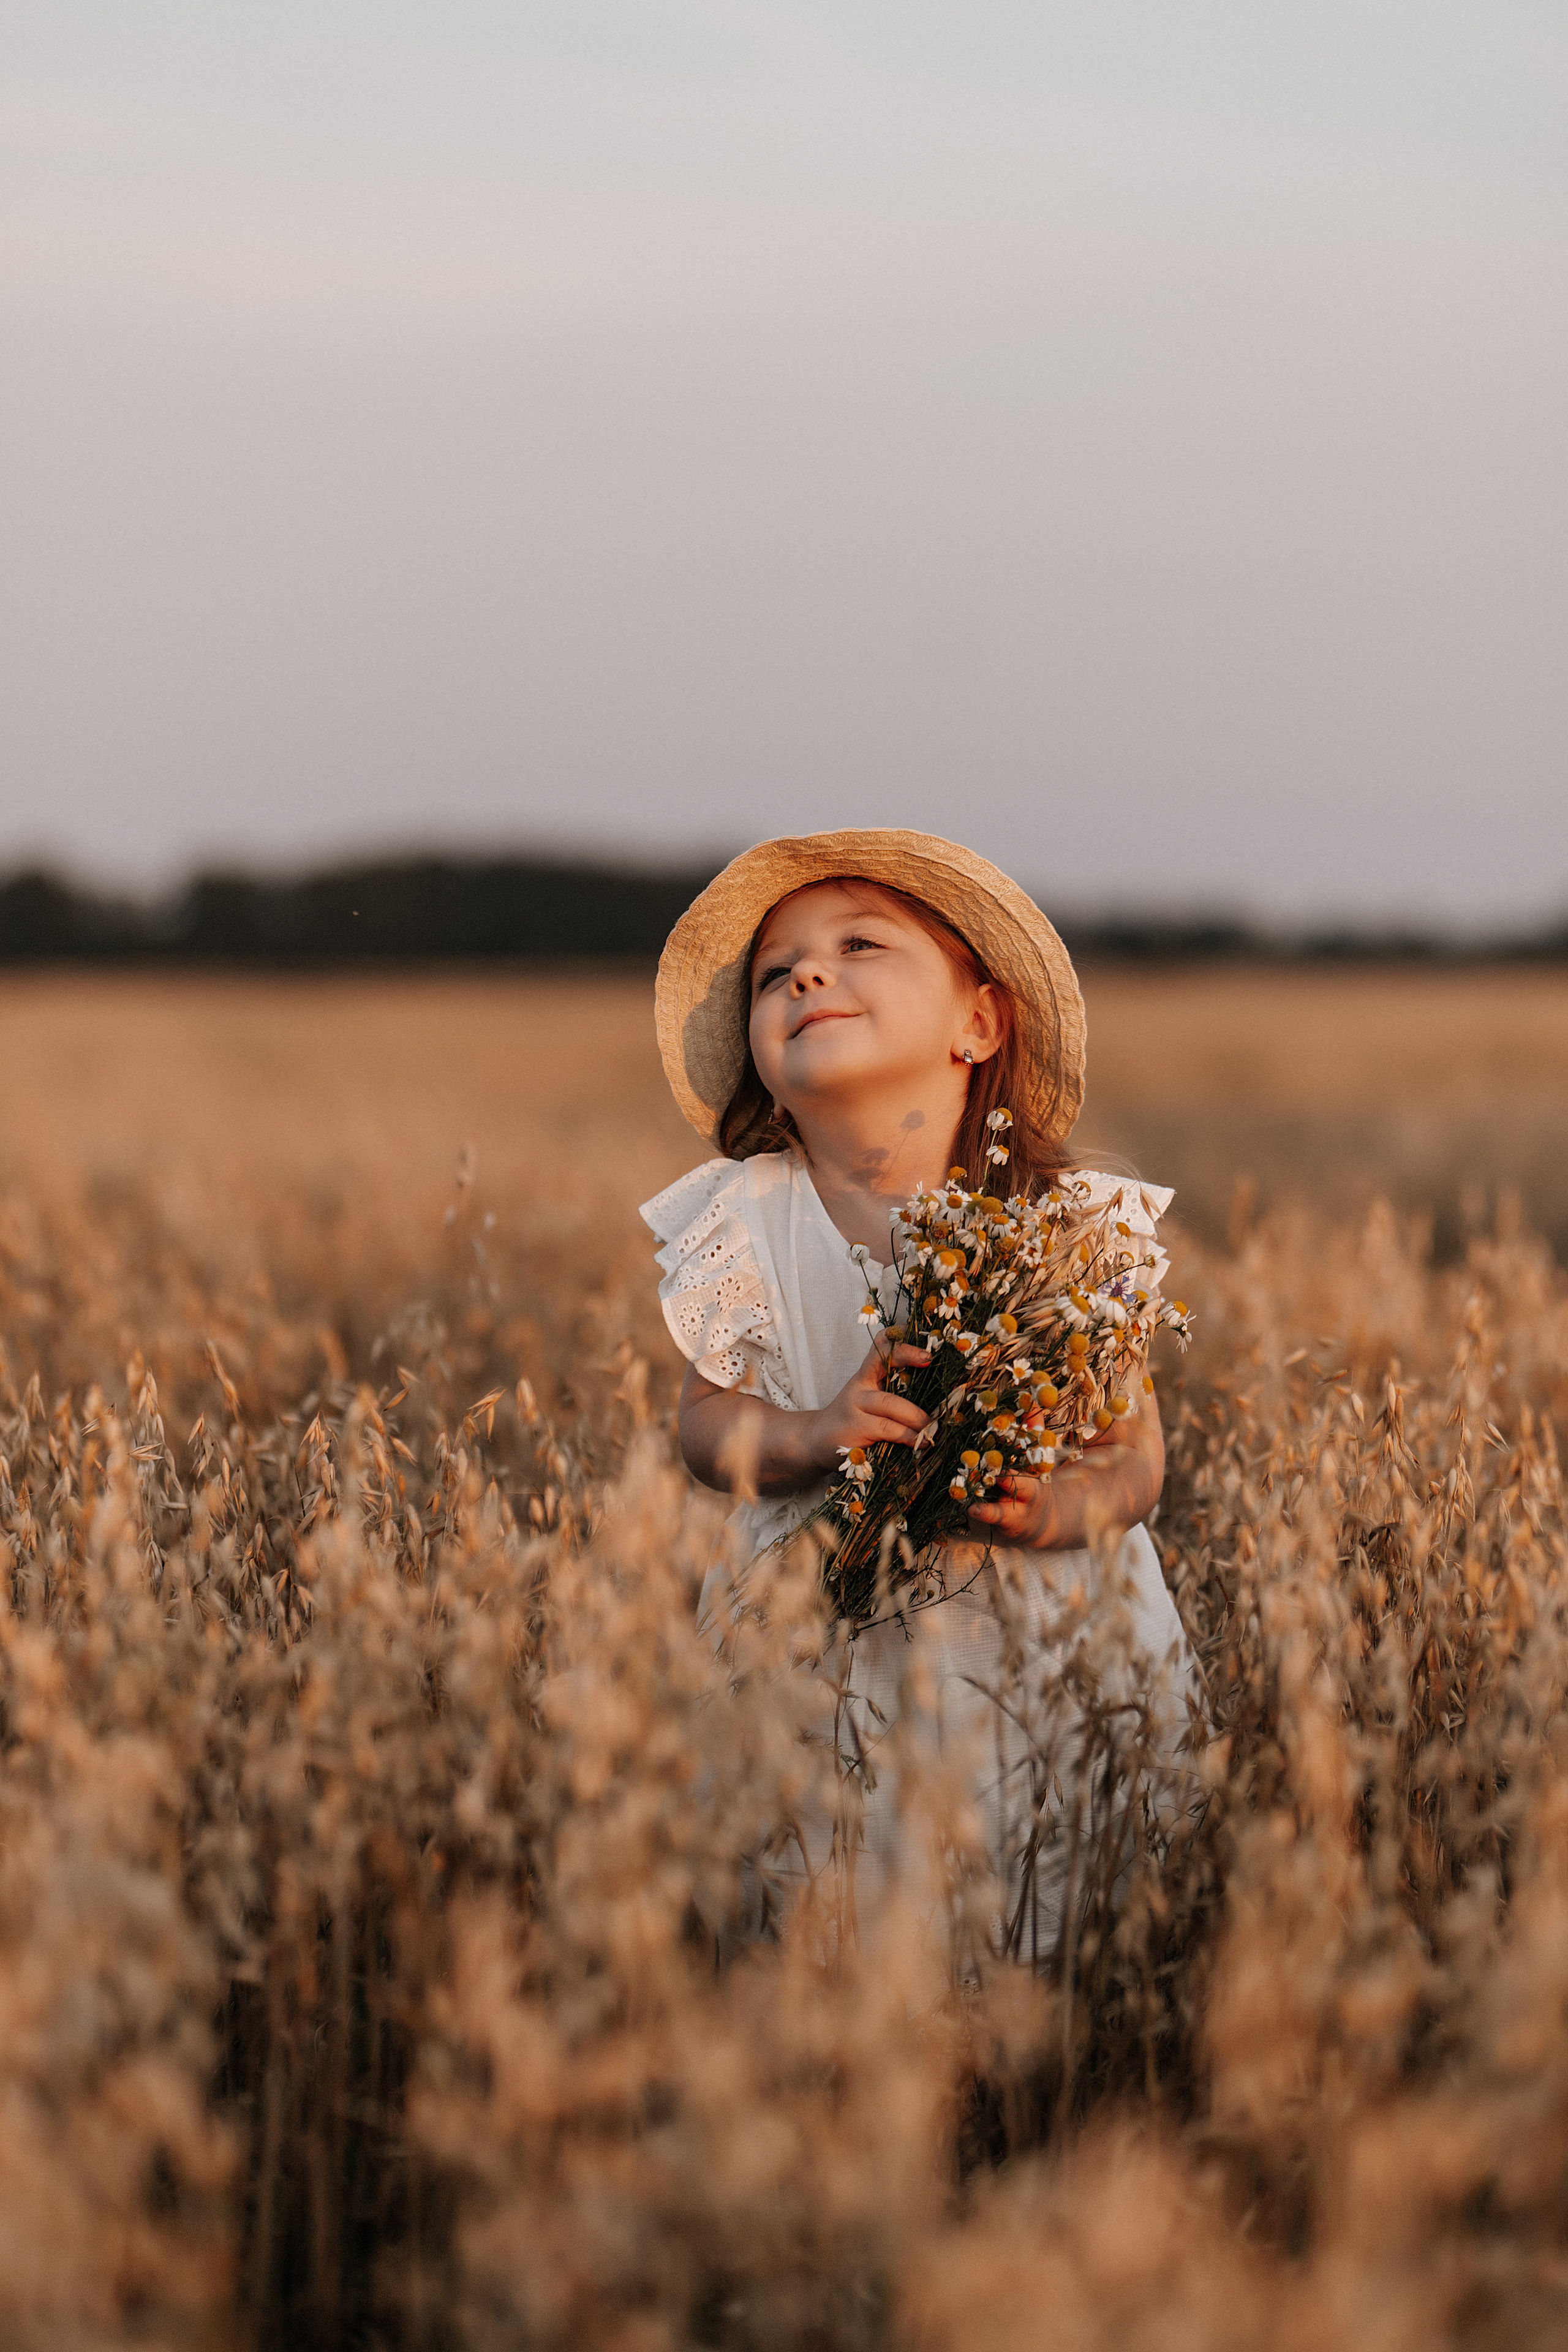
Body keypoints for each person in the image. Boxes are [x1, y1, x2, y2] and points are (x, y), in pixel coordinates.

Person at [640, 829, 1198, 1966]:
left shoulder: (1064, 1228)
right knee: (822, 1902)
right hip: (813, 1641)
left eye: (858, 946)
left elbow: (1137, 1457)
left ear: (978, 1024)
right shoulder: (748, 1221)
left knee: (1048, 1914)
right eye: (773, 972)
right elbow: (703, 1429)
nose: (807, 975)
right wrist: (810, 1435)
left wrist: (1056, 1511)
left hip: (1039, 1647)